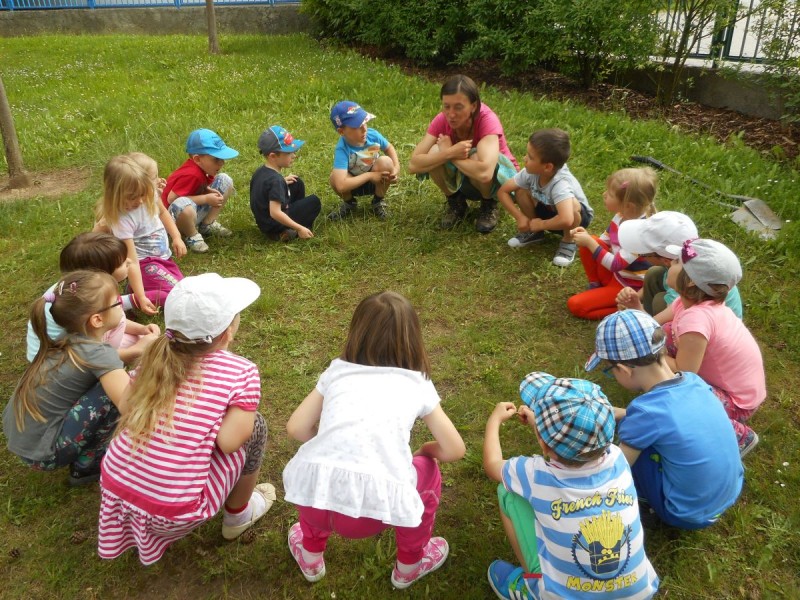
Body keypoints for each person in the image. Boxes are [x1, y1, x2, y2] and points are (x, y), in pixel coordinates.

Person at [283, 291, 466, 589]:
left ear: (357, 333)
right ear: (412, 339)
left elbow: (296, 428)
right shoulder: (416, 382)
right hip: (370, 515)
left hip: (312, 499)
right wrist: (426, 452)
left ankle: (311, 556)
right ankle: (409, 566)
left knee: (319, 468)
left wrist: (327, 440)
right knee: (427, 471)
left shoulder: (338, 370)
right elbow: (455, 449)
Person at [97, 273, 276, 565]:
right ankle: (238, 515)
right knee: (255, 427)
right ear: (227, 332)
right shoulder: (241, 371)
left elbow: (128, 404)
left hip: (115, 487)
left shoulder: (154, 355)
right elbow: (230, 442)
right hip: (174, 511)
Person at [483, 372, 659, 600]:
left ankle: (531, 587)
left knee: (507, 491)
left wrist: (494, 421)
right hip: (638, 592)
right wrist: (542, 428)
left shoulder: (534, 475)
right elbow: (576, 443)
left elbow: (492, 464)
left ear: (543, 445)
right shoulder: (618, 458)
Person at [586, 309, 744, 528]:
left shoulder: (645, 412)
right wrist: (621, 413)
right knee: (650, 431)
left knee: (631, 448)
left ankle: (643, 502)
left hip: (685, 513)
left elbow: (614, 471)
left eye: (609, 370)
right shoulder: (693, 381)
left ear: (623, 369)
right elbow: (667, 417)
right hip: (727, 494)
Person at [3, 270, 131, 486]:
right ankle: (87, 465)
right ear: (97, 319)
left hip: (23, 437)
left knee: (111, 383)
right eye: (117, 302)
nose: (121, 304)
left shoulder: (64, 339)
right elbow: (131, 405)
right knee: (112, 393)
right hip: (45, 453)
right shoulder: (99, 354)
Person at [659, 238, 765, 455]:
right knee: (667, 333)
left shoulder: (696, 320)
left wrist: (654, 355)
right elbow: (654, 325)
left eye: (677, 262)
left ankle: (738, 435)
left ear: (690, 281)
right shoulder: (687, 302)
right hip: (733, 386)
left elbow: (684, 372)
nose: (670, 263)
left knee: (682, 395)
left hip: (737, 401)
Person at [26, 232, 160, 365]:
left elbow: (114, 315)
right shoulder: (81, 307)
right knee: (140, 345)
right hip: (60, 363)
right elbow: (90, 355)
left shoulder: (79, 289)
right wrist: (134, 351)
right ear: (102, 273)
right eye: (122, 262)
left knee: (142, 338)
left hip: (79, 344)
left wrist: (142, 329)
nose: (130, 261)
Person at [408, 74, 519, 233]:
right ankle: (456, 203)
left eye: (458, 107)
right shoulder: (441, 120)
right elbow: (413, 165)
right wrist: (449, 152)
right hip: (467, 176)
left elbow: (485, 173)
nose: (451, 114)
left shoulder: (487, 120)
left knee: (476, 155)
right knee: (434, 152)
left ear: (473, 106)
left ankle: (488, 205)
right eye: (446, 106)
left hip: (499, 182)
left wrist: (449, 154)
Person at [96, 153, 185, 313]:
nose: (140, 201)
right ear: (115, 195)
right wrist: (141, 297)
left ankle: (134, 289)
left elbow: (163, 213)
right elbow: (133, 261)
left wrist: (177, 237)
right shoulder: (122, 220)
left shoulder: (148, 194)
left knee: (182, 286)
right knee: (177, 294)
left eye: (143, 194)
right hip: (145, 263)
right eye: (132, 197)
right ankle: (127, 301)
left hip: (163, 258)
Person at [614, 211, 744, 319]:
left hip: (705, 331)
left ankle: (646, 324)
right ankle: (644, 314)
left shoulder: (685, 289)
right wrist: (636, 298)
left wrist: (637, 310)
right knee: (654, 273)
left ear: (666, 260)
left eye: (643, 255)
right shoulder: (690, 256)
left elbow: (655, 325)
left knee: (659, 301)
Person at [567, 168, 658, 320]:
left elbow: (616, 264)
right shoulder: (620, 216)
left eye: (609, 194)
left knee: (575, 305)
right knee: (593, 240)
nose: (604, 195)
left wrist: (589, 242)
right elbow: (604, 241)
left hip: (627, 286)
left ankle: (624, 310)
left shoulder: (639, 234)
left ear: (628, 205)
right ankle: (595, 285)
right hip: (615, 275)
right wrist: (588, 239)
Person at [497, 128, 593, 267]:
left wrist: (541, 224)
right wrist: (520, 217)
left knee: (572, 207)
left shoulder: (561, 184)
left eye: (530, 157)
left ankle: (568, 240)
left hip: (575, 221)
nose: (525, 158)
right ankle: (535, 233)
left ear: (547, 167)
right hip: (550, 211)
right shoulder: (530, 172)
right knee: (521, 190)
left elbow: (567, 219)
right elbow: (503, 191)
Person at [162, 128, 238, 253]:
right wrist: (206, 198)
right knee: (182, 204)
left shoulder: (203, 169)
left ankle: (207, 225)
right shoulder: (191, 174)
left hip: (191, 210)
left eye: (222, 159)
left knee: (225, 180)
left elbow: (196, 187)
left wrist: (207, 190)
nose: (222, 163)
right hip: (173, 220)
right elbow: (172, 199)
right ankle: (191, 235)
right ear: (197, 159)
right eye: (216, 159)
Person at [327, 101, 400, 221]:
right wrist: (370, 175)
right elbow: (340, 185)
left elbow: (389, 148)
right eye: (357, 126)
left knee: (386, 162)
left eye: (364, 122)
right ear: (341, 132)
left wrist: (395, 170)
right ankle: (349, 203)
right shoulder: (342, 149)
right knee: (334, 178)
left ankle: (378, 201)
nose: (364, 129)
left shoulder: (373, 135)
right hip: (353, 184)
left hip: (377, 182)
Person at [249, 125, 321, 242]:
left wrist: (282, 181)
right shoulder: (275, 180)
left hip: (264, 221)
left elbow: (265, 190)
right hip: (273, 224)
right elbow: (275, 213)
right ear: (273, 156)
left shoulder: (261, 172)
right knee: (314, 202)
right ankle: (286, 232)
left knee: (297, 183)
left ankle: (290, 224)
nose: (294, 156)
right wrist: (299, 228)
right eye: (289, 153)